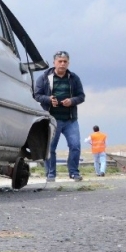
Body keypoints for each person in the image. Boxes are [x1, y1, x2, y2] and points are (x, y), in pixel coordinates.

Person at [34, 51, 86, 182]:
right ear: (54, 63)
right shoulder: (44, 77)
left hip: (70, 120)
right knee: (50, 147)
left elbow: (81, 96)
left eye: (65, 61)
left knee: (75, 146)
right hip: (52, 120)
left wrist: (72, 101)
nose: (62, 64)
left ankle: (74, 172)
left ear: (68, 63)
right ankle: (51, 174)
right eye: (60, 61)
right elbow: (36, 95)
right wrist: (48, 99)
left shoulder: (74, 78)